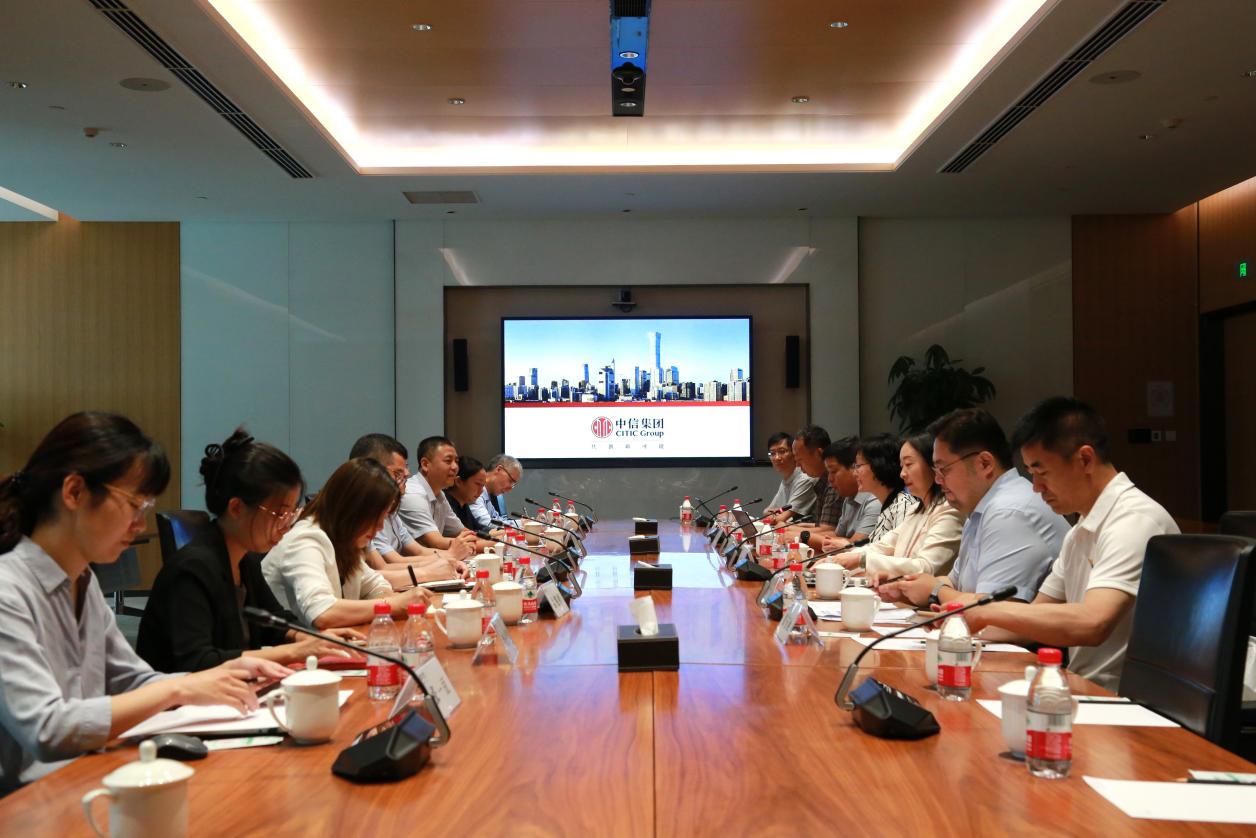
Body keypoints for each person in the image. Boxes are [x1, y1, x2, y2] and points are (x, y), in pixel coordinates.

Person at [0, 412, 288, 793]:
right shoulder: (8, 591)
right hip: (27, 804)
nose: (139, 524)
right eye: (134, 504)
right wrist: (181, 689)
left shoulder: (83, 582)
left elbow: (134, 680)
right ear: (74, 492)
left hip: (85, 778)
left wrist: (223, 674)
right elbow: (47, 728)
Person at [962, 397, 1179, 691]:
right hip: (1084, 687)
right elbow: (1035, 619)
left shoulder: (1134, 520)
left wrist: (988, 611)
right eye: (1031, 474)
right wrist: (956, 625)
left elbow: (1093, 623)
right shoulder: (1079, 531)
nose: (1036, 488)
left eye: (1041, 473)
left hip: (1129, 699)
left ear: (1085, 459)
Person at [138, 430, 355, 672]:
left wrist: (313, 638)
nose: (286, 525)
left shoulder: (245, 559)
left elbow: (275, 621)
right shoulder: (192, 569)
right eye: (279, 513)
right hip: (183, 694)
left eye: (291, 513)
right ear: (237, 508)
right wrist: (295, 651)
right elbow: (198, 661)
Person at [875, 408, 1070, 608]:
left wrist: (935, 590)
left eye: (943, 469)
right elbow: (955, 583)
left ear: (984, 464)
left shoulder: (1008, 512)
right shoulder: (982, 509)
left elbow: (994, 610)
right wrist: (904, 586)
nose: (938, 479)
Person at [262, 458, 429, 629]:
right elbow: (322, 613)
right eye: (376, 517)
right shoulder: (305, 539)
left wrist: (386, 601)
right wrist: (392, 605)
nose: (380, 527)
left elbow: (376, 585)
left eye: (384, 517)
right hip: (287, 644)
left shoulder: (346, 541)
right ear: (352, 509)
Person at [828, 432, 963, 577]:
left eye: (909, 464)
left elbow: (925, 567)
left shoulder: (948, 510)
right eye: (902, 466)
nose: (902, 474)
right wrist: (839, 558)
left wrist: (860, 559)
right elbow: (883, 546)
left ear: (932, 465)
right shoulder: (916, 509)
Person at [350, 433, 467, 584]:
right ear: (370, 472)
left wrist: (445, 562)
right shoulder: (355, 513)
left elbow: (368, 578)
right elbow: (381, 568)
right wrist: (433, 569)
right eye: (397, 473)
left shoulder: (385, 509)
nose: (407, 474)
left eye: (405, 467)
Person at [397, 436, 483, 553]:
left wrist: (497, 540)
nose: (455, 467)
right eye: (448, 461)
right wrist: (495, 543)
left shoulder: (439, 493)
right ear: (425, 464)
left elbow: (464, 533)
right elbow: (436, 542)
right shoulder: (413, 494)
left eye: (456, 461)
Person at [810, 437, 880, 551]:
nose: (830, 479)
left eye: (833, 471)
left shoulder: (875, 500)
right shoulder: (849, 498)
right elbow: (837, 537)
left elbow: (853, 547)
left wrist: (804, 537)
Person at [850, 434, 915, 543]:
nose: (854, 473)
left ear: (878, 465)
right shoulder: (889, 505)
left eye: (858, 466)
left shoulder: (903, 505)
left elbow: (898, 551)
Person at [761, 432, 817, 525]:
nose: (777, 458)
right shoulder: (787, 479)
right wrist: (775, 512)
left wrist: (776, 513)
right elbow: (766, 512)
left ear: (794, 453)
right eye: (772, 453)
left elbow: (781, 518)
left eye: (782, 451)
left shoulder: (805, 479)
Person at [468, 454, 522, 532]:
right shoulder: (476, 491)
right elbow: (488, 524)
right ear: (499, 469)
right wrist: (522, 524)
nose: (510, 489)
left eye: (513, 484)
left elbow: (497, 520)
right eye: (510, 481)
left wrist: (522, 522)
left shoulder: (488, 493)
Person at [446, 456, 489, 534]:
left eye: (483, 485)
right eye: (478, 484)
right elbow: (466, 535)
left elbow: (479, 528)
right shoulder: (445, 503)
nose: (481, 491)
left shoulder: (464, 503)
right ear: (458, 481)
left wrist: (498, 531)